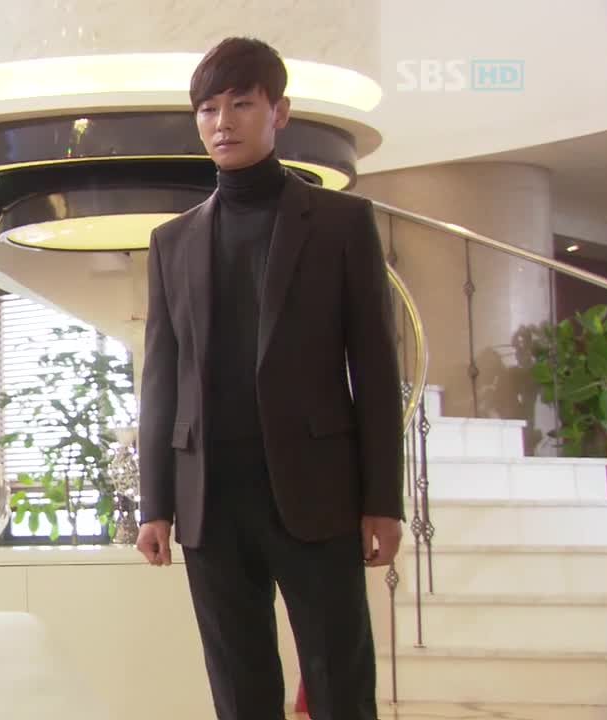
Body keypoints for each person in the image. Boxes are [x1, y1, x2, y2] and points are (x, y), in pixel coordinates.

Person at [135, 37, 404, 719]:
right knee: (239, 688)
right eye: (208, 109)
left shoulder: (341, 222)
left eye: (241, 104)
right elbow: (161, 379)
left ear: (278, 112)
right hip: (210, 500)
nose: (222, 122)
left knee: (340, 680)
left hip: (317, 493)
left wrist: (383, 498)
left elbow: (375, 368)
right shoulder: (172, 241)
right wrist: (155, 503)